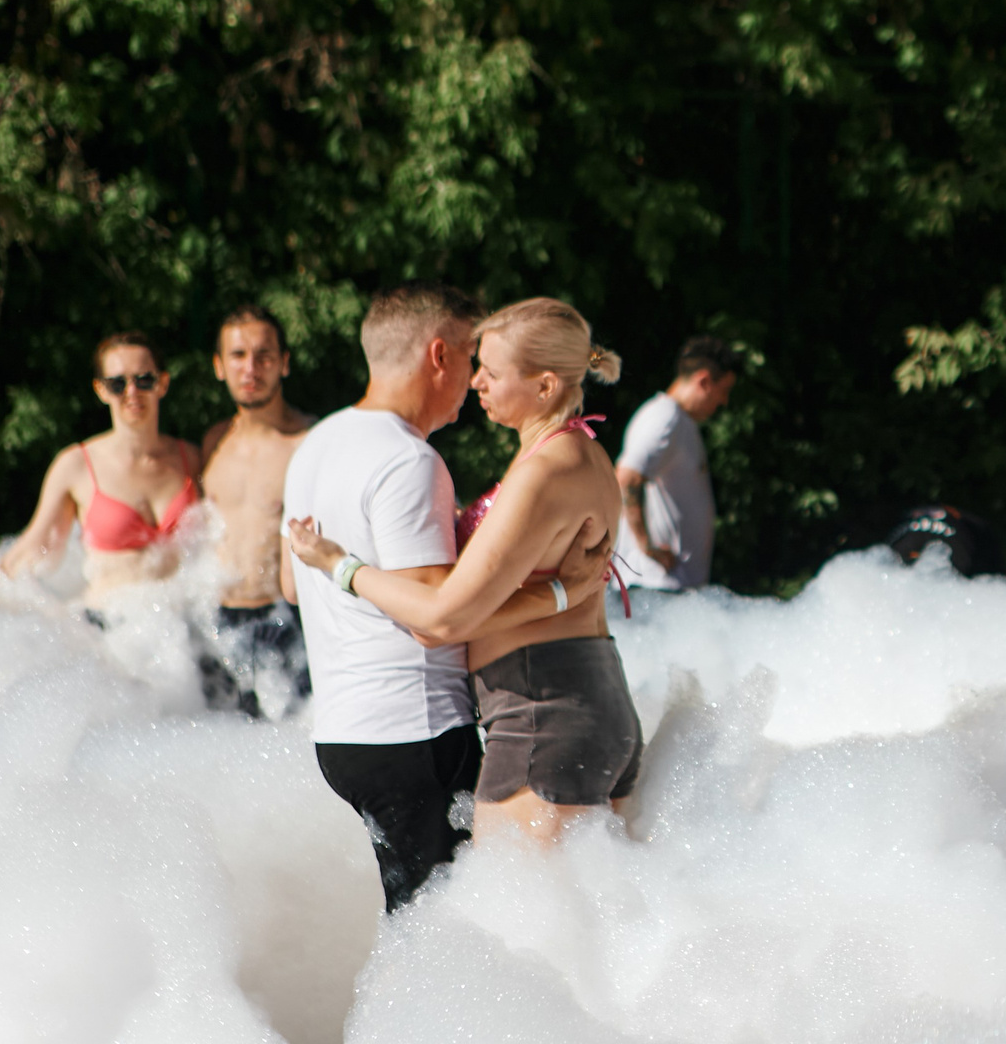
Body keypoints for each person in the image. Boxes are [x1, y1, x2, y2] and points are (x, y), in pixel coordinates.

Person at [279, 285, 608, 909]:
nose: (477, 378)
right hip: (416, 729)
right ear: (438, 356)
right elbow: (439, 620)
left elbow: (291, 585)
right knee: (451, 931)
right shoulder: (408, 462)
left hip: (344, 733)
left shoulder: (315, 445)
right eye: (470, 358)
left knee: (420, 922)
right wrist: (561, 593)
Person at [0, 333, 202, 603]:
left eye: (144, 380)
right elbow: (30, 552)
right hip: (108, 625)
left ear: (163, 383)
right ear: (101, 390)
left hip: (183, 625)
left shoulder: (191, 458)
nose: (132, 392)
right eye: (117, 383)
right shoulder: (76, 466)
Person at [197, 306, 315, 717]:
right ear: (219, 366)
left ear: (284, 363)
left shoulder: (309, 442)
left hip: (286, 623)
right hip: (216, 625)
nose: (251, 368)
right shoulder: (213, 443)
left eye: (264, 356)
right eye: (238, 355)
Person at [616, 335, 738, 596]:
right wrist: (648, 549)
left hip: (667, 589)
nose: (724, 402)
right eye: (724, 391)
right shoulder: (665, 418)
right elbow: (627, 478)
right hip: (653, 587)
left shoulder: (679, 422)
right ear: (704, 381)